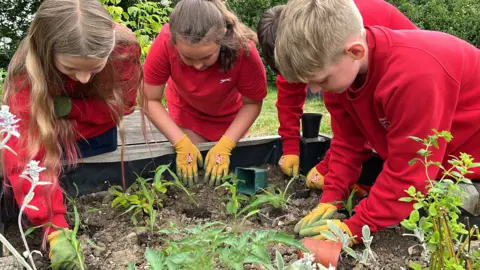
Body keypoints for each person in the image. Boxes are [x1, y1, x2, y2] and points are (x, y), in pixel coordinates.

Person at [274, 0, 480, 245]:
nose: (314, 89)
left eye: (320, 80)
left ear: (355, 51)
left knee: (450, 226)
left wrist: (354, 227)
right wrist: (331, 196)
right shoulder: (342, 74)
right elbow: (347, 142)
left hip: (467, 161)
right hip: (430, 161)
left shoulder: (414, 76)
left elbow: (408, 171)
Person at [2, 0, 142, 267]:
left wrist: (68, 109)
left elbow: (123, 104)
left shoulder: (123, 50)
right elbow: (27, 158)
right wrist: (54, 228)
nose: (85, 78)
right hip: (45, 129)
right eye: (70, 68)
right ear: (47, 53)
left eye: (95, 68)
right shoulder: (26, 74)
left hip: (95, 130)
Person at [256, 0, 417, 190]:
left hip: (409, 90)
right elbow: (289, 99)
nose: (312, 88)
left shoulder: (344, 31)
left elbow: (360, 122)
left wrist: (329, 168)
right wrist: (290, 147)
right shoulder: (318, 53)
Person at [141, 0, 267, 187]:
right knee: (196, 170)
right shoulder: (165, 42)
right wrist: (180, 143)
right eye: (188, 58)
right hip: (186, 111)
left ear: (222, 37)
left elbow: (252, 103)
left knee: (226, 171)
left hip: (229, 117)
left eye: (207, 57)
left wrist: (227, 144)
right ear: (174, 42)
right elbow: (149, 99)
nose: (198, 66)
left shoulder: (243, 48)